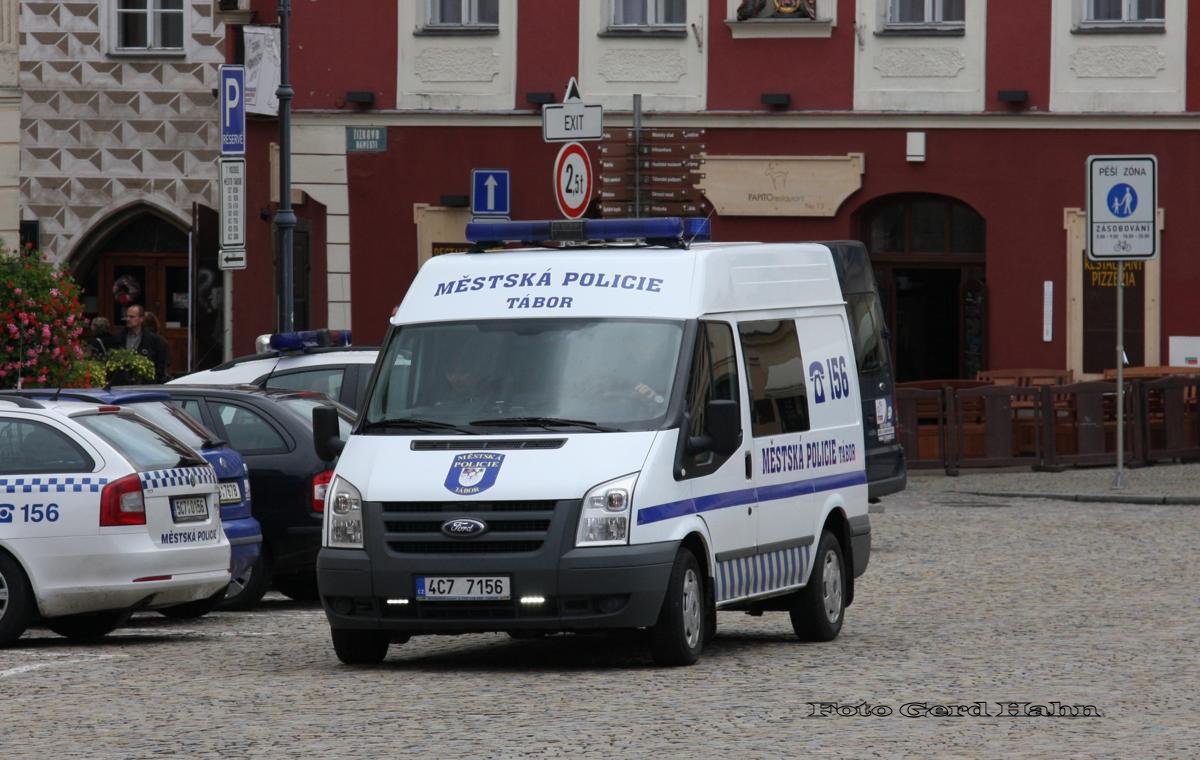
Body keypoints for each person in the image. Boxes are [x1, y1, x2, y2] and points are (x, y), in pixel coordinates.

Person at [116, 304, 170, 383]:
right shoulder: (119, 337)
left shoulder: (154, 340)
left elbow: (160, 367)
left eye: (131, 317)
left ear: (141, 319)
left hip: (146, 384)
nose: (128, 319)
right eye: (127, 316)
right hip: (123, 384)